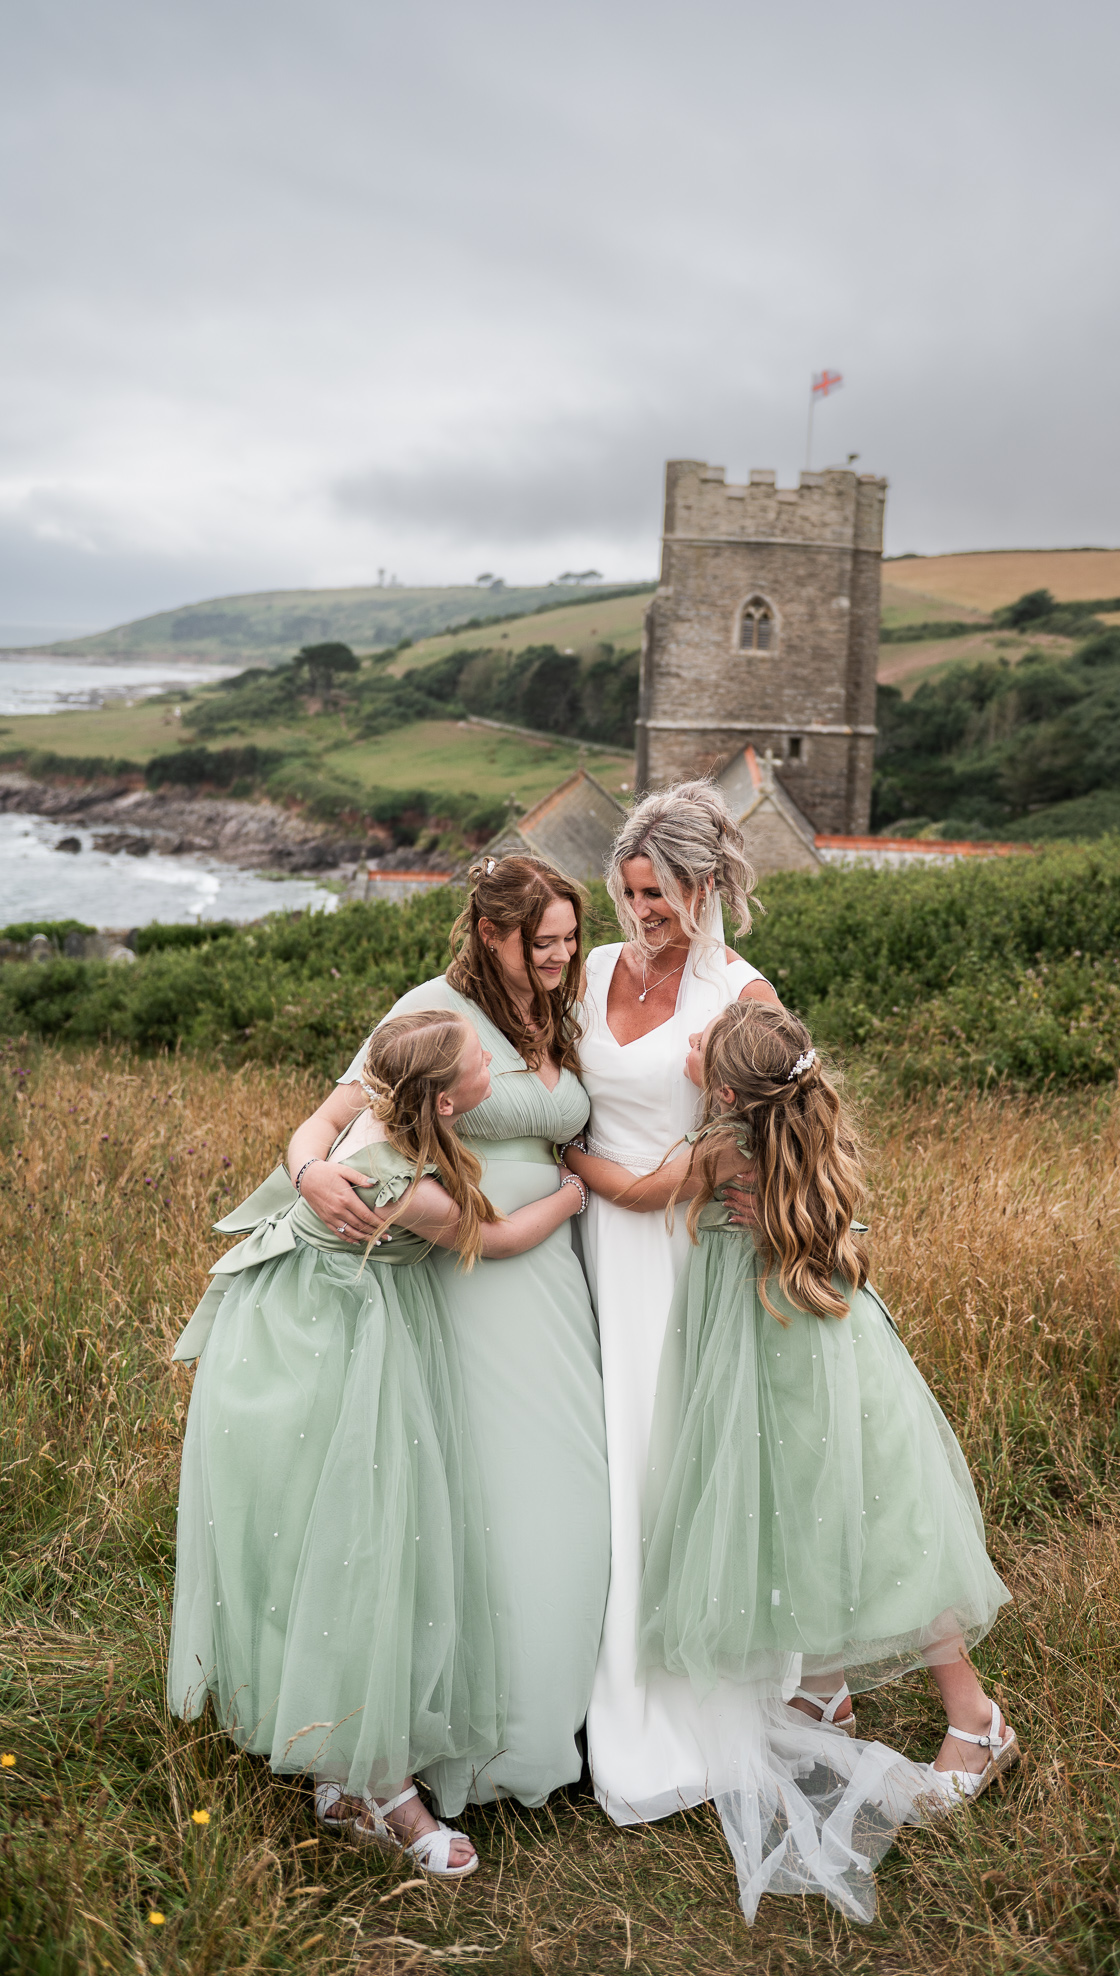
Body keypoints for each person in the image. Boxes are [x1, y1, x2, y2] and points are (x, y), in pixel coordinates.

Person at [573, 997, 1017, 1921]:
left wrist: (567, 1155)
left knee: (836, 1519)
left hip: (766, 1354)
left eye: (707, 1046)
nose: (692, 1042)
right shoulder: (817, 1134)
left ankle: (976, 1722)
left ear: (728, 1093)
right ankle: (820, 1691)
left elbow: (637, 1192)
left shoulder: (719, 1150)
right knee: (819, 1512)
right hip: (827, 1350)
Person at [167, 1010, 593, 1879]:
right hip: (322, 1341)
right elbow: (499, 1240)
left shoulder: (381, 1109)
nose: (493, 1068)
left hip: (299, 1316)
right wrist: (569, 1197)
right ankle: (387, 1792)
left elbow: (323, 1131)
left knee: (331, 1540)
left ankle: (343, 1766)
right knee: (364, 1541)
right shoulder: (404, 1184)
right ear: (446, 1100)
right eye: (480, 1064)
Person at [283, 857, 611, 1811]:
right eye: (539, 941)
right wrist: (309, 1174)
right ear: (489, 933)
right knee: (492, 1498)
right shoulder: (432, 1009)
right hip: (466, 1282)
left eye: (568, 939)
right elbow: (330, 1120)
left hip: (552, 1276)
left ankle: (556, 1725)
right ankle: (467, 1739)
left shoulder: (562, 1009)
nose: (557, 956)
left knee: (574, 1489)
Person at [561, 780, 777, 1827]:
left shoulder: (740, 992)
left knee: (655, 1451)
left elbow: (750, 1135)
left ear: (708, 885)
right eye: (632, 890)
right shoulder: (590, 968)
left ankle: (664, 1688)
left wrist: (593, 1171)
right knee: (586, 1450)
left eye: (662, 893)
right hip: (578, 1242)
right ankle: (570, 1681)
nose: (644, 912)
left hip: (675, 1249)